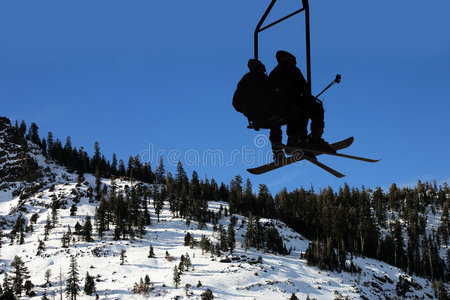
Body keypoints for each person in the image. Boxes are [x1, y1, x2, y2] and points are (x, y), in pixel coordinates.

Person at [268, 50, 332, 157]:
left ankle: (293, 140)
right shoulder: (292, 69)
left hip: (276, 110)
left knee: (296, 110)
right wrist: (309, 97)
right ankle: (312, 138)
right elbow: (304, 87)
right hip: (290, 107)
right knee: (313, 108)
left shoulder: (273, 73)